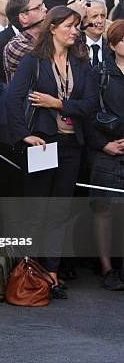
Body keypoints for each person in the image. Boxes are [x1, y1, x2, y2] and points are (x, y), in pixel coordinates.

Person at [6, 6, 99, 299]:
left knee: (60, 211)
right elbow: (13, 99)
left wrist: (58, 103)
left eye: (77, 26)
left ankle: (53, 274)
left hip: (72, 145)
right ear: (53, 27)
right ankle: (29, 273)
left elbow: (90, 105)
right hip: (44, 143)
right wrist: (24, 135)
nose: (75, 31)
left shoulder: (82, 63)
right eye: (70, 25)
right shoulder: (34, 60)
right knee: (37, 209)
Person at [87, 20, 124, 290]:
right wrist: (103, 145)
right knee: (104, 210)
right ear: (112, 45)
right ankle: (106, 267)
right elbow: (86, 115)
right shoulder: (99, 73)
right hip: (106, 149)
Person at [3, 0, 46, 83]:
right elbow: (49, 64)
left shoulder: (47, 36)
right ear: (23, 17)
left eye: (43, 5)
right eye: (38, 7)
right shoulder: (15, 45)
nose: (45, 9)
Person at [84, 0, 108, 67]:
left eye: (103, 16)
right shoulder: (75, 47)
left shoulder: (112, 47)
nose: (100, 21)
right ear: (83, 19)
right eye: (94, 16)